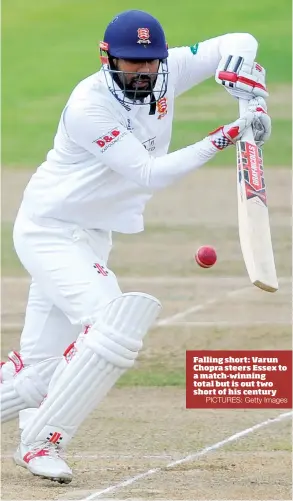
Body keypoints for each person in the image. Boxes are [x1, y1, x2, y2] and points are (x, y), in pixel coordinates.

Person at [1, 9, 271, 483]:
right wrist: (228, 134)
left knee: (40, 373)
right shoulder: (90, 104)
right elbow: (149, 173)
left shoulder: (167, 71)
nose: (143, 72)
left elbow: (241, 37)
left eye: (150, 62)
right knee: (113, 328)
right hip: (50, 230)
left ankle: (33, 442)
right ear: (108, 59)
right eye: (131, 63)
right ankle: (47, 438)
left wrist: (238, 76)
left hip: (92, 235)